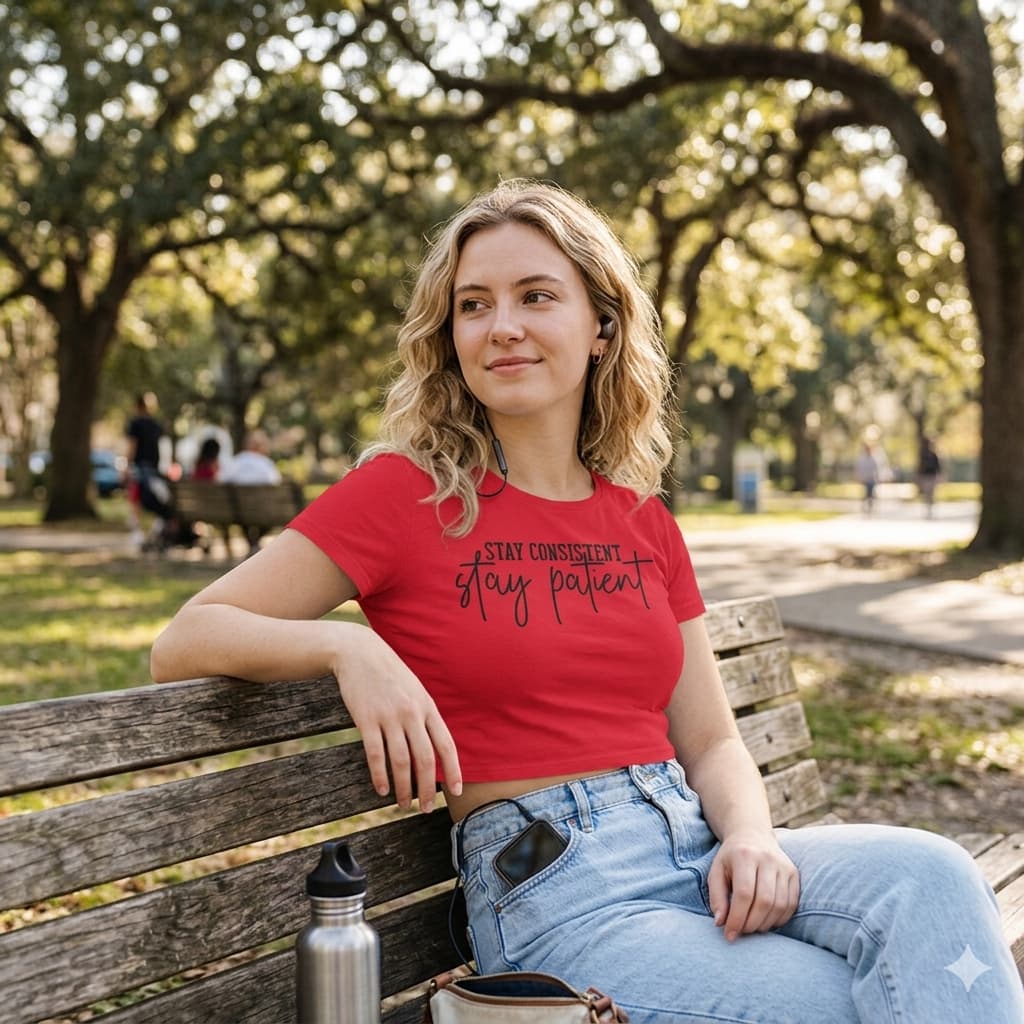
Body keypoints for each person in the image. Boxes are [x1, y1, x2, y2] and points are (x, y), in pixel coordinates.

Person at [151, 181, 1023, 1023]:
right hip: (561, 894)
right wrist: (351, 650)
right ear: (449, 332)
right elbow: (185, 639)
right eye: (474, 304)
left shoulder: (642, 520)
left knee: (938, 878)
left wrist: (753, 838)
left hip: (695, 842)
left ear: (601, 326)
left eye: (536, 296)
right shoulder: (405, 494)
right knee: (848, 1008)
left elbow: (712, 738)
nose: (503, 328)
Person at [125, 392, 173, 547]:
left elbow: (132, 446)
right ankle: (154, 527)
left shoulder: (136, 424)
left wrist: (127, 464)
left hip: (140, 468)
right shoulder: (156, 425)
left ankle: (137, 532)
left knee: (135, 499)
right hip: (154, 469)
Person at [918, 436, 942, 517]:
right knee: (927, 493)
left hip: (932, 476)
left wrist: (939, 476)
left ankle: (931, 509)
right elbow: (920, 466)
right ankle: (927, 508)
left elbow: (938, 466)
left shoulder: (934, 455)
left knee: (931, 493)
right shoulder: (923, 454)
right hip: (925, 476)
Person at [854, 441, 879, 513]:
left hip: (871, 479)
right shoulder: (862, 458)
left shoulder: (873, 458)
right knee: (865, 493)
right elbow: (859, 468)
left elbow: (876, 469)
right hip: (864, 479)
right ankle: (864, 506)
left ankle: (870, 507)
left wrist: (877, 478)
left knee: (870, 493)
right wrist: (858, 476)